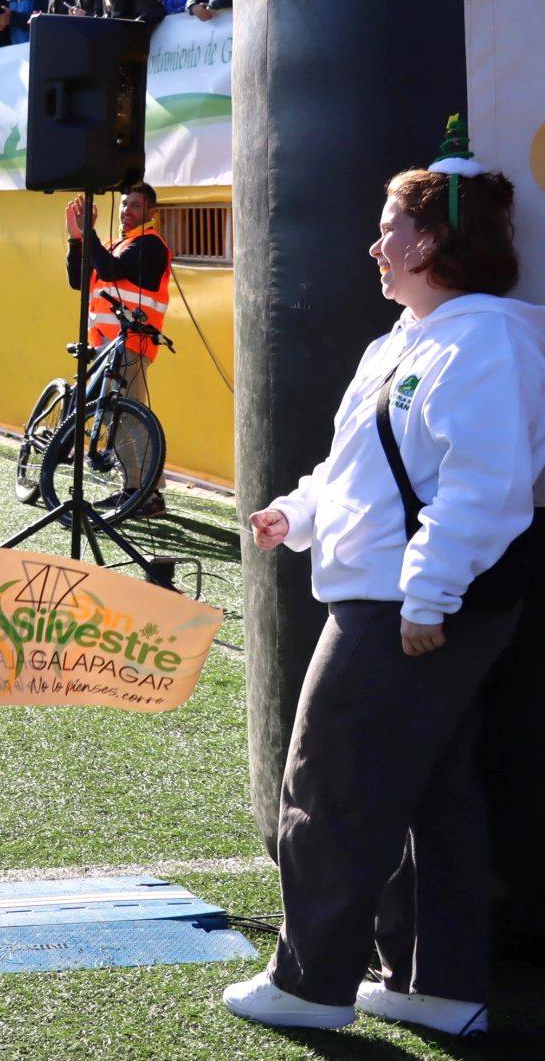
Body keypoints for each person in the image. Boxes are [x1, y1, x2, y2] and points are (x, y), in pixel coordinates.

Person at [225, 137, 545, 1041]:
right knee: (433, 794)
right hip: (399, 598)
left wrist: (426, 597)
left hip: (404, 607)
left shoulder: (484, 341)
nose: (374, 247)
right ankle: (429, 982)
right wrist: (296, 512)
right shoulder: (407, 341)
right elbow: (355, 468)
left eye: (389, 230)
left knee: (327, 783)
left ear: (431, 243)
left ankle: (310, 981)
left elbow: (485, 489)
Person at [64, 182, 171, 516]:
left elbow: (109, 269)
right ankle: (139, 490)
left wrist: (89, 233)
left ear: (151, 212)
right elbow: (78, 280)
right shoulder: (116, 244)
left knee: (131, 418)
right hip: (106, 348)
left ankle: (145, 495)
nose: (126, 210)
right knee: (118, 417)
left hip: (132, 345)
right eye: (125, 204)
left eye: (136, 205)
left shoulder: (149, 245)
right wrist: (76, 239)